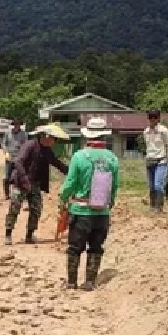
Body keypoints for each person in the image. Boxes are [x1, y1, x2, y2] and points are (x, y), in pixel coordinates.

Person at [59, 117, 120, 291]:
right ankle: (90, 282)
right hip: (102, 213)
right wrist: (110, 204)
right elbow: (114, 186)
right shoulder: (112, 159)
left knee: (74, 248)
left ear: (88, 137)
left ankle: (71, 282)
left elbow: (70, 184)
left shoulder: (79, 156)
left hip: (81, 211)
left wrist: (62, 199)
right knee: (95, 247)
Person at [5, 124, 69, 245]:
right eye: (53, 139)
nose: (54, 142)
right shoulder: (30, 145)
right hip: (21, 182)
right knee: (14, 208)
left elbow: (58, 164)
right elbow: (18, 162)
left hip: (35, 184)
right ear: (46, 137)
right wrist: (24, 180)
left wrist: (71, 171)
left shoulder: (48, 151)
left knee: (36, 210)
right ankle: (8, 234)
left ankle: (29, 235)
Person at [142, 110, 168, 213]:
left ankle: (159, 206)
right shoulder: (146, 131)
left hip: (161, 160)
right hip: (150, 160)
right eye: (150, 117)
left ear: (158, 118)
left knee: (158, 184)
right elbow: (147, 146)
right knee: (151, 186)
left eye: (154, 117)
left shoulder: (164, 131)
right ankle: (152, 206)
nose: (152, 120)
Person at [2, 119, 28, 200]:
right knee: (6, 177)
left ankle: (19, 194)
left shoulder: (24, 134)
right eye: (16, 124)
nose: (17, 125)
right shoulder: (8, 133)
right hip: (9, 158)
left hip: (19, 158)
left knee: (19, 177)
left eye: (18, 124)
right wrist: (5, 152)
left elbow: (26, 145)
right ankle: (7, 194)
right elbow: (3, 144)